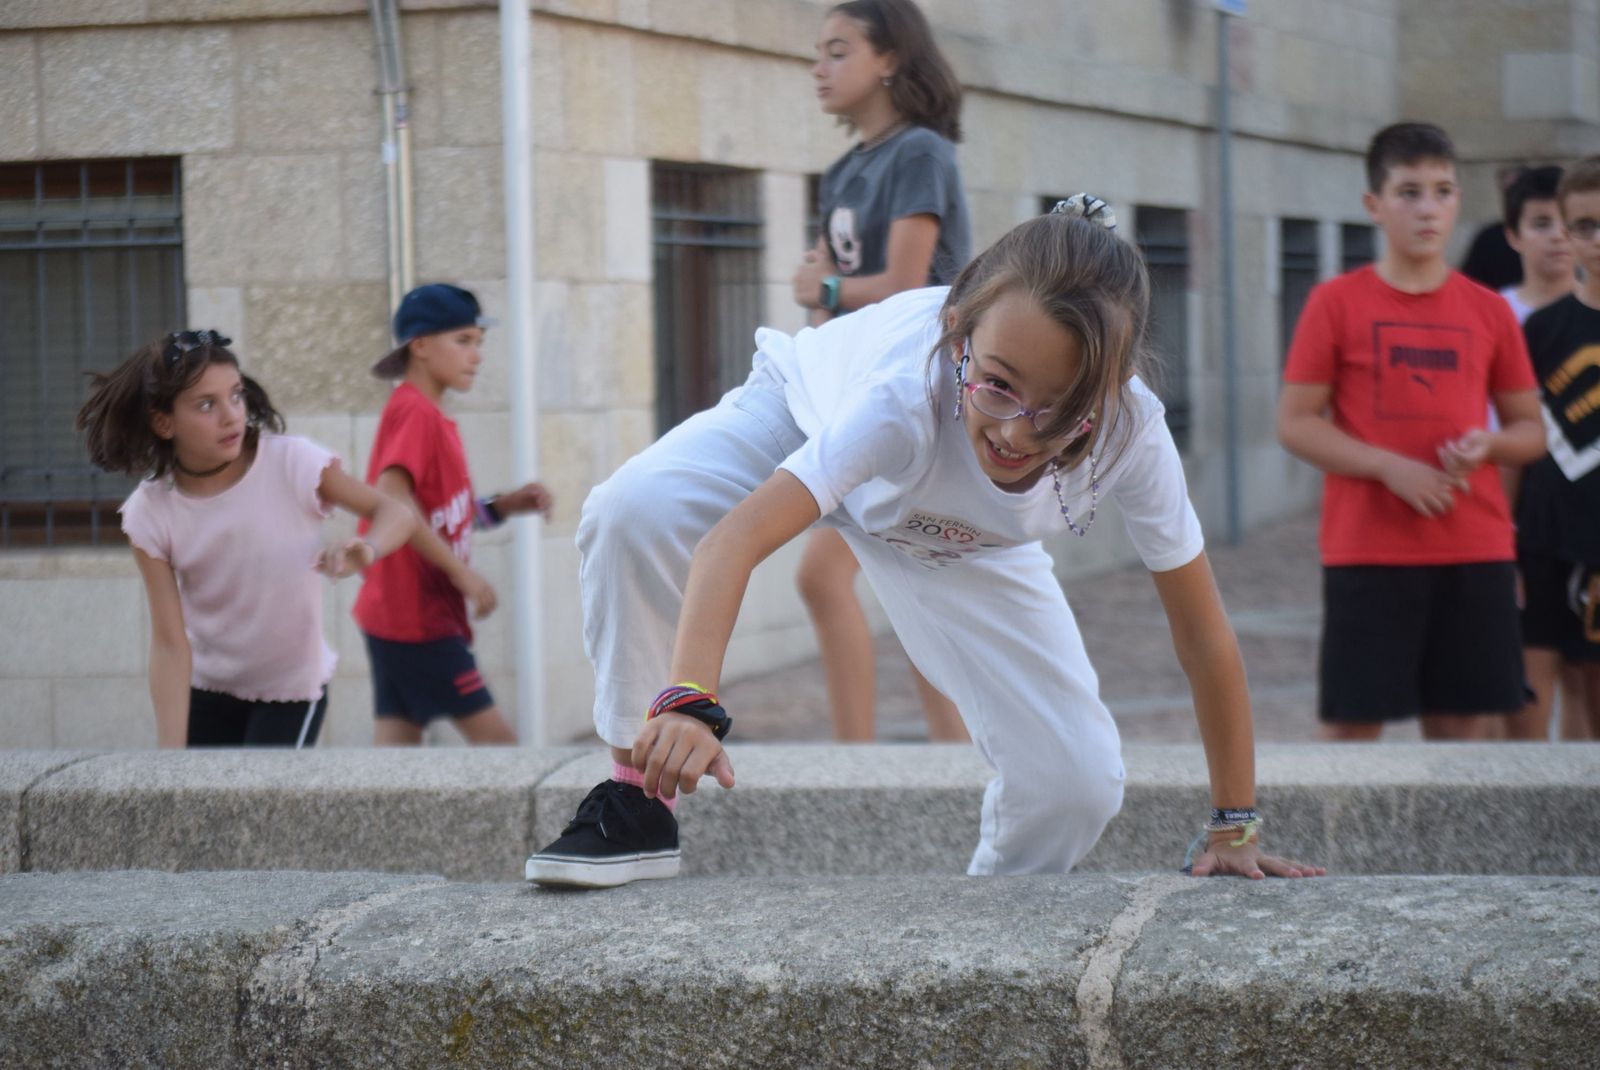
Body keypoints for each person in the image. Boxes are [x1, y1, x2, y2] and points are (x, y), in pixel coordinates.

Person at [526, 198, 1325, 888]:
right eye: (1000, 383)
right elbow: (732, 540)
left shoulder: (1133, 434)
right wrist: (689, 702)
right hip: (802, 418)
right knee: (633, 507)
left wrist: (1236, 823)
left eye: (1059, 411)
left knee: (1076, 781)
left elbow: (1203, 633)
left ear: (1108, 396)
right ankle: (636, 802)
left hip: (961, 539)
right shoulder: (900, 396)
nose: (1016, 431)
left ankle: (991, 922)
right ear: (956, 332)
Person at [1277, 123, 1546, 742]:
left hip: (1474, 548)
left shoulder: (1489, 310)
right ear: (1374, 205)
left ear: (1458, 200)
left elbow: (1530, 431)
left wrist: (1491, 445)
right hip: (1368, 551)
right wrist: (1387, 466)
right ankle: (1338, 848)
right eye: (1409, 192)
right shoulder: (1334, 303)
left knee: (1458, 739)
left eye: (1443, 190)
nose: (1428, 208)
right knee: (1350, 737)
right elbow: (1295, 424)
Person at [75, 329, 415, 748]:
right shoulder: (150, 510)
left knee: (263, 810)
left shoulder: (293, 463)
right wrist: (168, 758)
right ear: (164, 422)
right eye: (206, 405)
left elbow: (396, 513)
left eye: (236, 395)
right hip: (207, 690)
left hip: (290, 692)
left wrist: (368, 548)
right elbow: (168, 642)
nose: (232, 415)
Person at [790, 0, 974, 743]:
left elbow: (910, 285)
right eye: (818, 52)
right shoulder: (842, 170)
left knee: (847, 576)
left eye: (838, 51)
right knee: (896, 578)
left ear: (890, 59)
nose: (819, 67)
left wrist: (824, 291)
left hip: (921, 393)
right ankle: (928, 761)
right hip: (862, 395)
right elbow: (828, 298)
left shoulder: (920, 152)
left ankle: (876, 761)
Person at [353, 284, 552, 746]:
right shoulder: (414, 412)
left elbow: (442, 517)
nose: (476, 355)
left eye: (479, 343)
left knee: (395, 757)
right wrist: (461, 574)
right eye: (463, 341)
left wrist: (504, 506)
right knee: (505, 754)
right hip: (417, 617)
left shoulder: (431, 415)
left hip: (401, 615)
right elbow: (396, 502)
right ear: (419, 346)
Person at [1510, 156, 1600, 741]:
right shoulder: (1538, 330)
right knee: (1526, 725)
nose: (1598, 239)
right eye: (1585, 226)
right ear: (1566, 233)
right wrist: (1503, 544)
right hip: (1541, 541)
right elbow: (1516, 446)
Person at [1499, 166, 1576, 325]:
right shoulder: (1493, 311)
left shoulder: (1595, 305)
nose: (1559, 235)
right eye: (1542, 224)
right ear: (1514, 237)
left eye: (1569, 223)